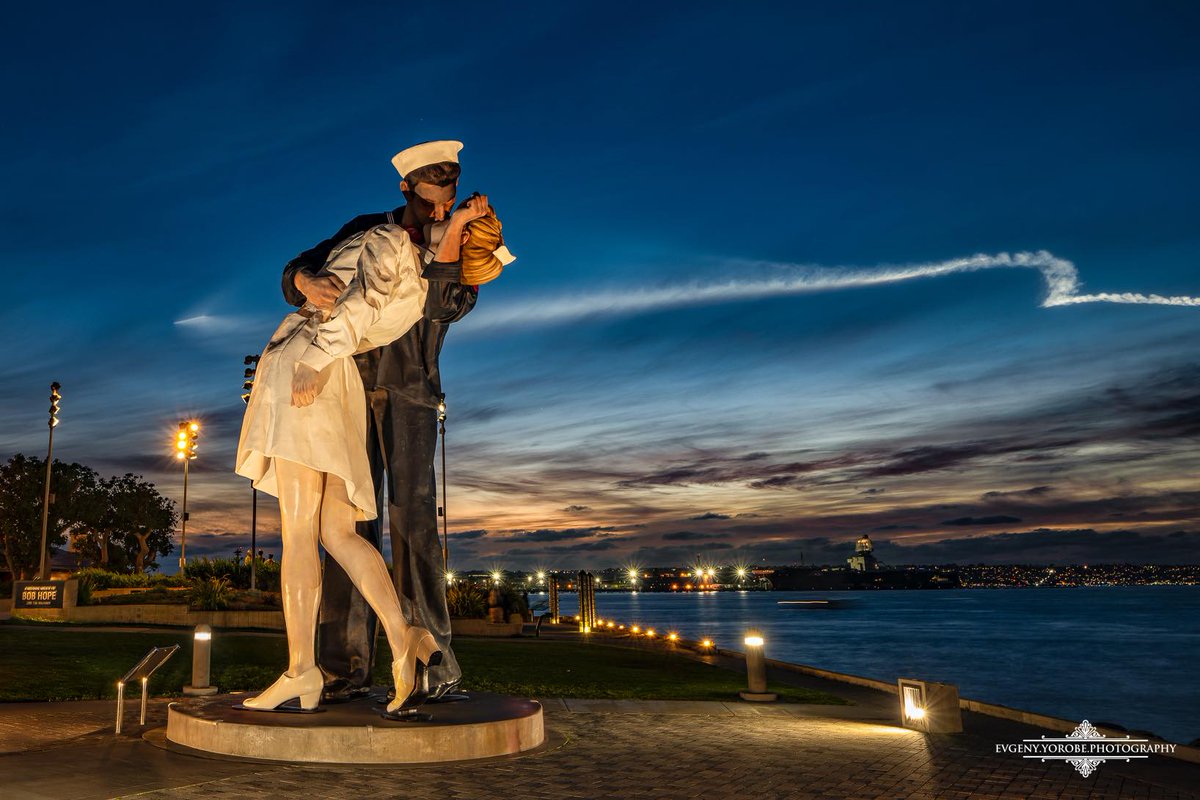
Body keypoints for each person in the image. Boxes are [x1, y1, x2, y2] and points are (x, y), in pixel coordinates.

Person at [235, 188, 509, 714]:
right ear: (409, 188)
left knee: (410, 525)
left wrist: (456, 240)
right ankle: (347, 663)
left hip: (401, 388)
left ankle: (426, 660)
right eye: (432, 202)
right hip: (347, 383)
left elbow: (442, 303)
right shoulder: (371, 227)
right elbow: (299, 267)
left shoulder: (441, 255)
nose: (438, 211)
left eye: (445, 204)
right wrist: (304, 282)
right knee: (343, 529)